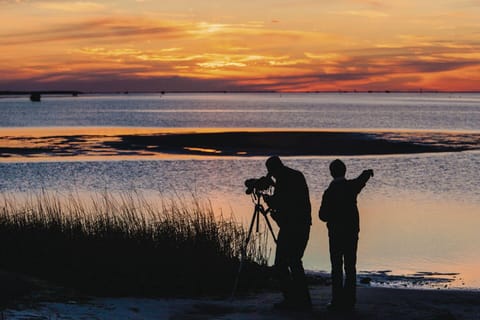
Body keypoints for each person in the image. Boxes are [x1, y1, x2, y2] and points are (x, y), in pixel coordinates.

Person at [319, 159, 373, 312]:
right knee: (350, 266)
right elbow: (361, 181)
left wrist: (332, 215)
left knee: (336, 267)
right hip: (351, 232)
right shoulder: (350, 187)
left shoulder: (329, 192)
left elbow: (322, 215)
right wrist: (367, 173)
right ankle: (350, 301)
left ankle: (337, 301)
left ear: (331, 173)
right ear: (345, 171)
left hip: (335, 234)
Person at [263, 156, 312, 311]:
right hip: (302, 225)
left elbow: (280, 202)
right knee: (295, 261)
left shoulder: (284, 180)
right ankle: (303, 300)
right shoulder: (295, 175)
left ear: (273, 170)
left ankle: (292, 299)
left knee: (282, 264)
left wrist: (267, 200)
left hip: (291, 227)